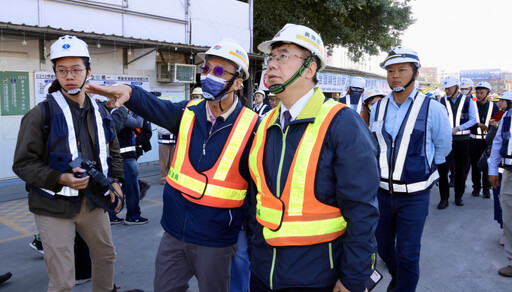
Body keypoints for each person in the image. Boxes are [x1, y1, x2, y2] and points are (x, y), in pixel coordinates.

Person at [85, 38, 258, 292]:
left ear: (238, 82)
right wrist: (131, 92)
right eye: (207, 69)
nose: (209, 75)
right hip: (174, 232)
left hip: (216, 238)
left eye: (220, 72)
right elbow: (157, 107)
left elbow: (258, 193)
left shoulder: (254, 128)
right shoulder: (188, 111)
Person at [249, 23, 380, 292]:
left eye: (283, 56)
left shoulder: (342, 123)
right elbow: (257, 200)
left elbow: (362, 211)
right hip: (263, 273)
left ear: (309, 68)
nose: (271, 65)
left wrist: (353, 278)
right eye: (270, 58)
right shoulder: (264, 124)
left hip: (318, 277)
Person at [12, 35, 123, 292]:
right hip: (53, 206)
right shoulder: (40, 114)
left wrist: (116, 181)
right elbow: (23, 164)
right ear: (55, 73)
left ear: (88, 72)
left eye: (76, 69)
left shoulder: (101, 112)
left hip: (94, 202)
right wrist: (60, 178)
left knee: (106, 257)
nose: (69, 76)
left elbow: (113, 153)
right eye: (61, 70)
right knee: (62, 279)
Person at [370, 47, 452, 292]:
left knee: (408, 253)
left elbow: (443, 147)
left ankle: (403, 285)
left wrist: (421, 169)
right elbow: (376, 145)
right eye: (391, 71)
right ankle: (400, 276)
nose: (395, 75)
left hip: (415, 196)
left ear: (415, 73)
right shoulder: (378, 107)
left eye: (402, 70)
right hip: (382, 193)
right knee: (383, 246)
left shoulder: (432, 108)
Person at [437, 76, 477, 208]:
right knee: (443, 170)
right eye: (446, 88)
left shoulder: (468, 101)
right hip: (446, 140)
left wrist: (458, 128)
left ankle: (458, 196)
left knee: (461, 170)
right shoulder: (441, 101)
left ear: (457, 88)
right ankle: (444, 199)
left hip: (463, 140)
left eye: (449, 88)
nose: (447, 91)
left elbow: (473, 120)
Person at [488, 91, 512, 277]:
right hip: (509, 173)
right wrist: (493, 170)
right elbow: (497, 143)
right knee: (509, 219)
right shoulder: (506, 117)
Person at [116, 108, 149, 225]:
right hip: (126, 157)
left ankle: (111, 215)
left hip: (119, 156)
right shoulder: (119, 112)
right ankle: (133, 216)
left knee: (118, 185)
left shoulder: (110, 111)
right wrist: (140, 109)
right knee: (132, 188)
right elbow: (138, 123)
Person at [469, 81, 498, 198]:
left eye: (482, 92)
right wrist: (478, 125)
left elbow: (498, 124)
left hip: (487, 141)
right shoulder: (472, 105)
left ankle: (486, 189)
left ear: (488, 93)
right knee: (475, 165)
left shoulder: (493, 106)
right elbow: (467, 122)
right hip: (474, 140)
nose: (479, 95)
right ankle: (476, 188)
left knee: (486, 165)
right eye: (477, 92)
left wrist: (494, 125)